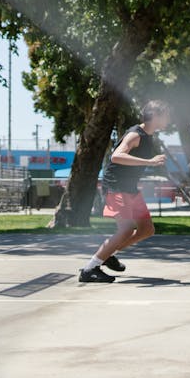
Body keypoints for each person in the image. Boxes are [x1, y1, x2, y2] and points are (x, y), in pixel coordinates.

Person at [78, 100, 170, 283]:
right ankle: (90, 269)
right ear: (155, 116)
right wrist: (149, 162)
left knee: (146, 229)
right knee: (126, 229)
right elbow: (116, 156)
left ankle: (108, 254)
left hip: (130, 188)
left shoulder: (148, 136)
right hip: (116, 186)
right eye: (166, 115)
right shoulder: (136, 134)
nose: (169, 119)